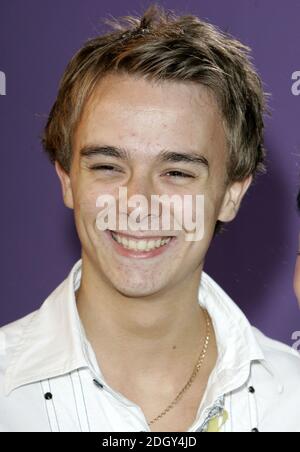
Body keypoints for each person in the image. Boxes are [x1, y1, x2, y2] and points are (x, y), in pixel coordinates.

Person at [1, 4, 299, 433]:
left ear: (232, 194)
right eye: (107, 166)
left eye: (177, 172)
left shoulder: (293, 399)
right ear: (67, 181)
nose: (138, 202)